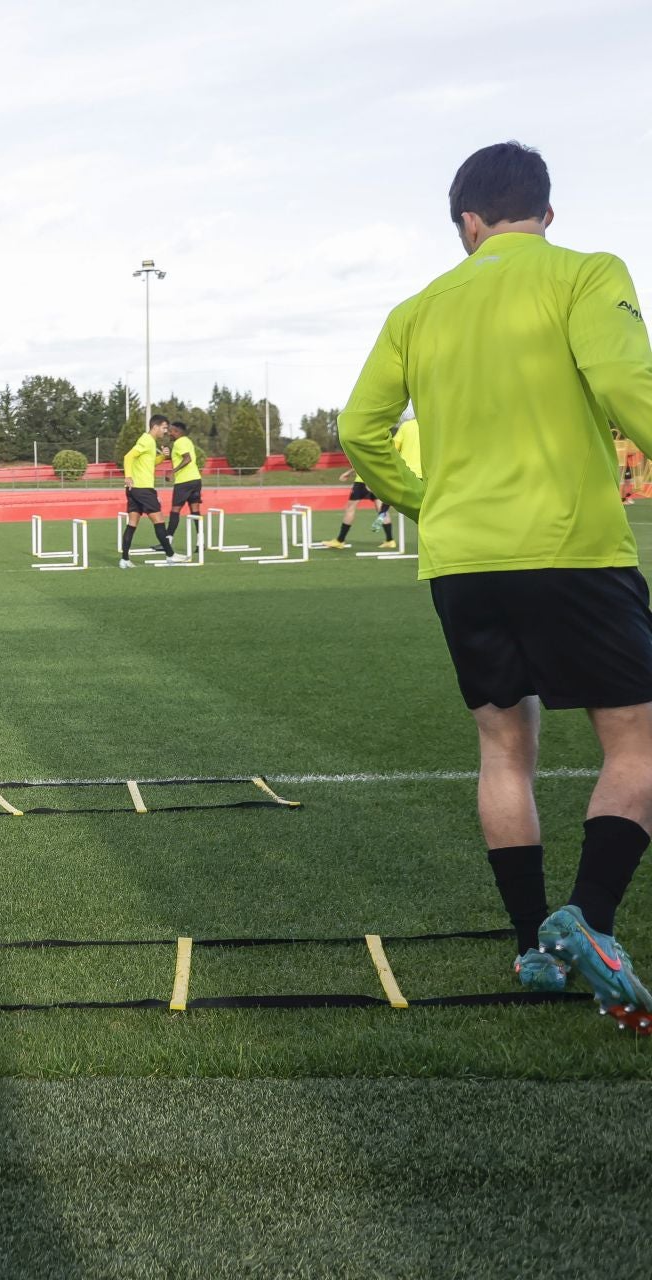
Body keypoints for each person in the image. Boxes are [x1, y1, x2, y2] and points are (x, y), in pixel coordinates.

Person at [340, 141, 652, 1031]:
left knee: (504, 749)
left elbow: (361, 429)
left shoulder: (418, 305)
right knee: (636, 746)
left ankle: (532, 947)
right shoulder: (587, 272)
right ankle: (587, 920)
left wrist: (427, 500)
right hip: (573, 548)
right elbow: (630, 380)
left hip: (463, 559)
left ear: (468, 226)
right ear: (545, 215)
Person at [119, 414, 184, 567]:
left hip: (134, 490)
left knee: (132, 523)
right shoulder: (147, 440)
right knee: (159, 521)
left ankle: (125, 559)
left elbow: (149, 463)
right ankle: (170, 555)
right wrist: (128, 476)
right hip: (143, 489)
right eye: (164, 428)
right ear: (155, 427)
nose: (166, 431)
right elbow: (128, 457)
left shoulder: (149, 442)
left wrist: (163, 457)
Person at [322, 457, 396, 549]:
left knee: (350, 508)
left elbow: (361, 462)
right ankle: (390, 540)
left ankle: (340, 540)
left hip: (362, 481)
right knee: (381, 508)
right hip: (378, 480)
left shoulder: (365, 446)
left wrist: (348, 473)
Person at [165, 420, 203, 541]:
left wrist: (173, 471)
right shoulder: (187, 441)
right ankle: (200, 541)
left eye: (170, 431)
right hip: (196, 480)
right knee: (195, 510)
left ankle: (167, 541)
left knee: (175, 510)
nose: (168, 434)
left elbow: (187, 459)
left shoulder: (179, 443)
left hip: (184, 482)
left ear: (176, 431)